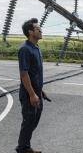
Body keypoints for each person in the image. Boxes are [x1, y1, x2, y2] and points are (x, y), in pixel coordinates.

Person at [16, 18, 50, 153]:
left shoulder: (36, 48)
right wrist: (32, 94)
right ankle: (23, 148)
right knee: (29, 121)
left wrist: (40, 91)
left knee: (33, 121)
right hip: (29, 94)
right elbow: (24, 74)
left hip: (36, 92)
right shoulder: (25, 49)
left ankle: (24, 146)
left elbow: (34, 73)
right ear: (30, 32)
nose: (41, 30)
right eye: (37, 28)